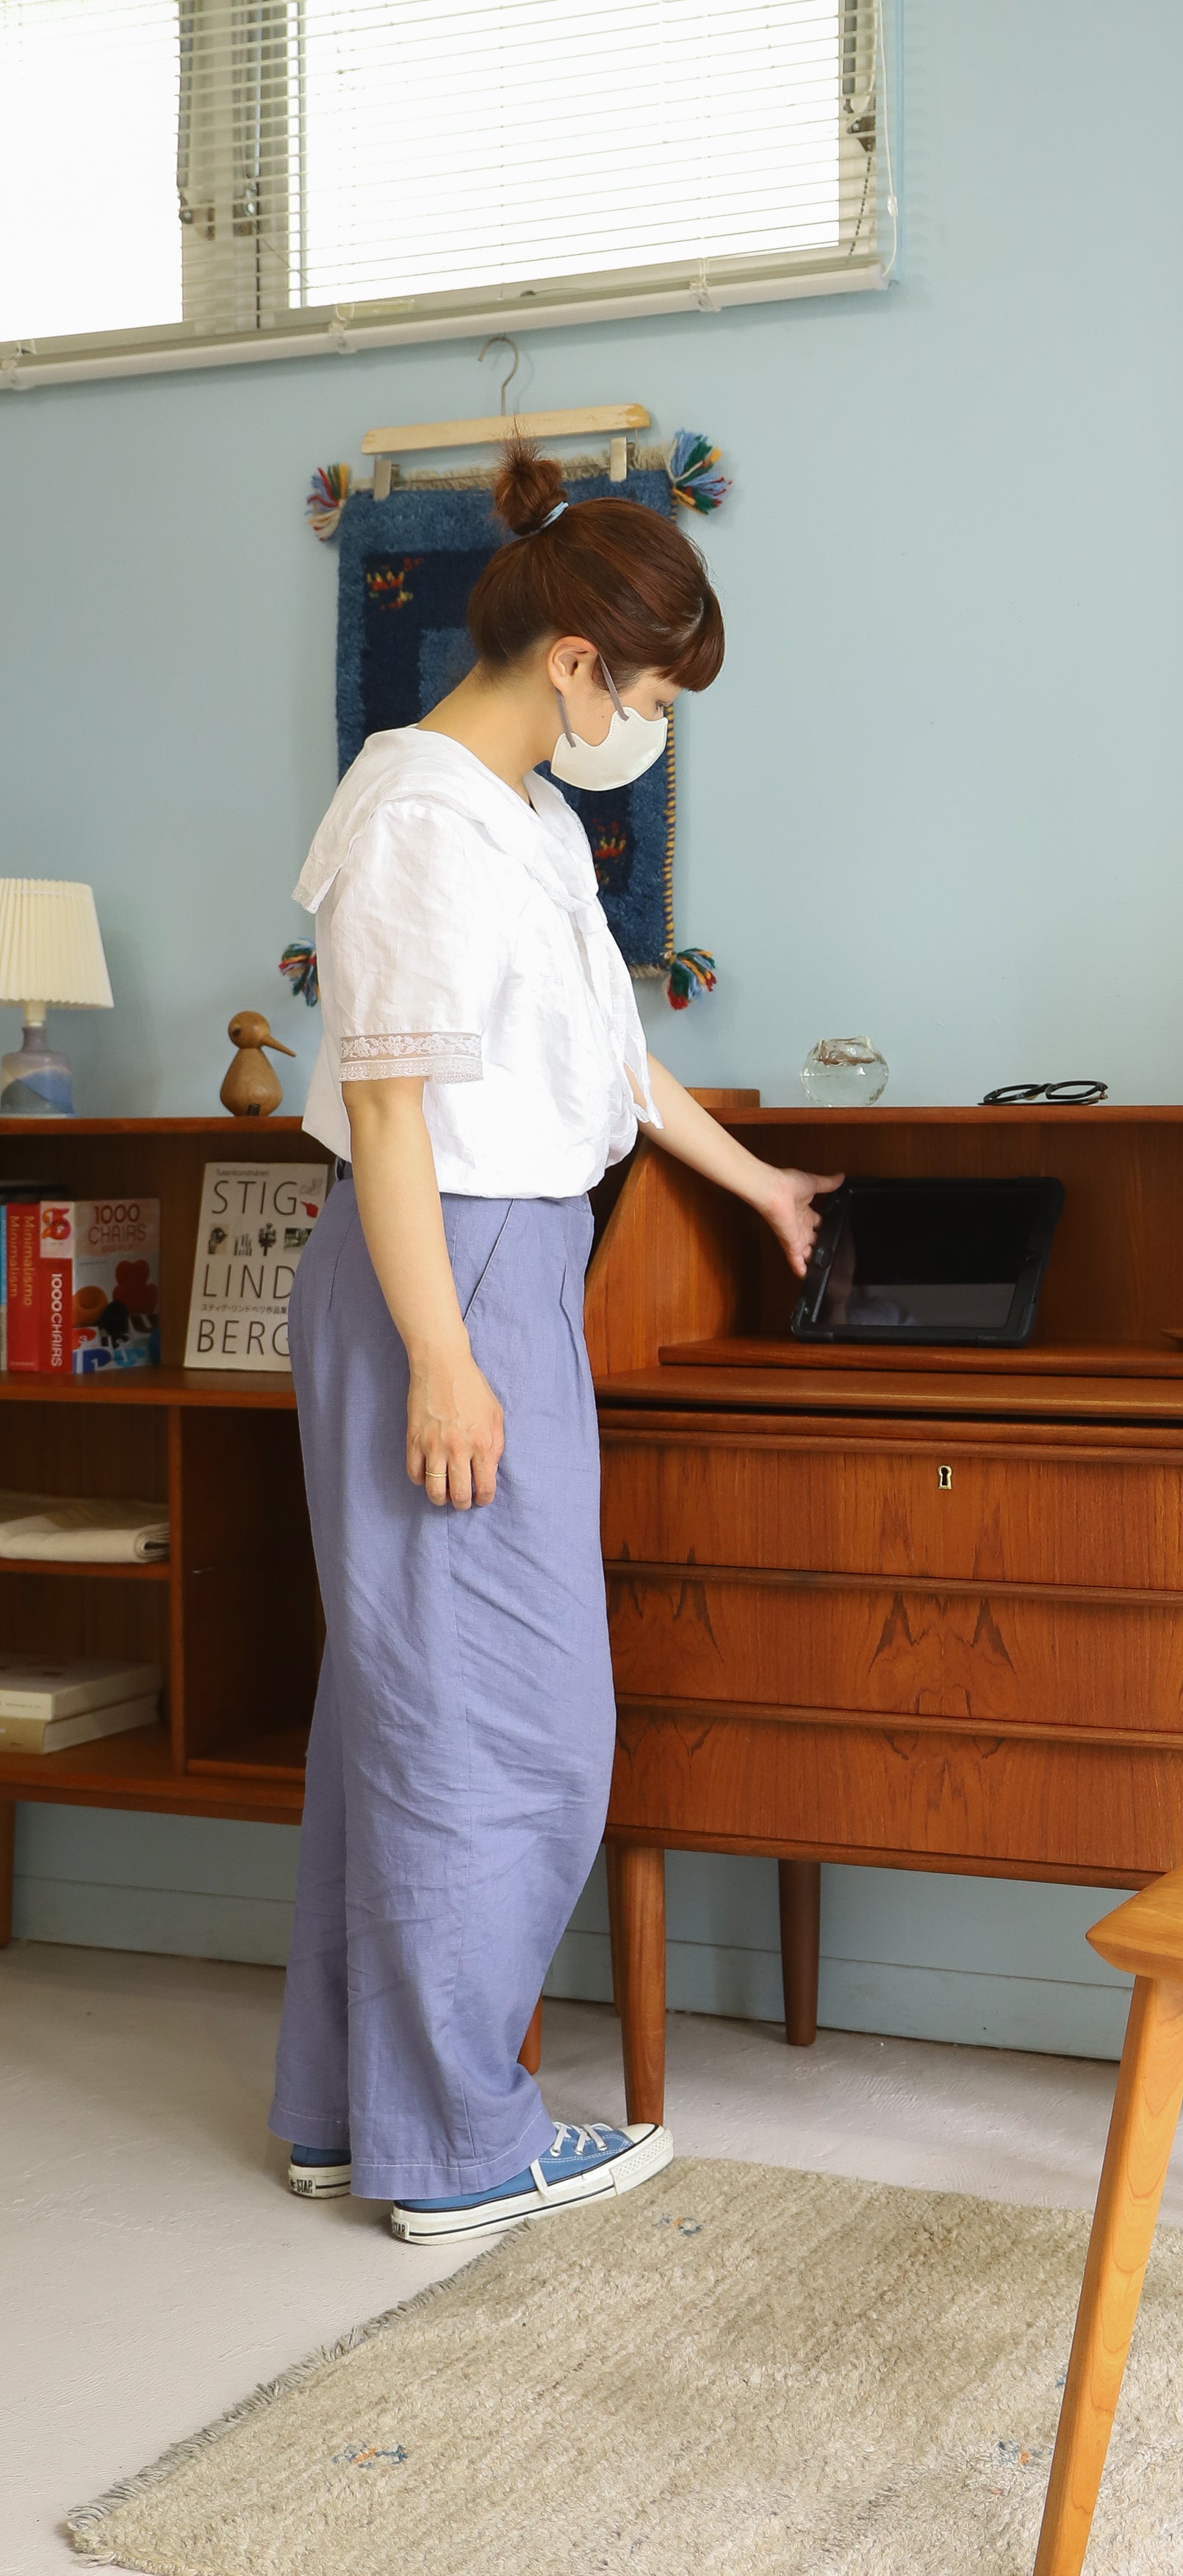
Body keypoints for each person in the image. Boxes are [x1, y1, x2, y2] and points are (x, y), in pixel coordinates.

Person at [269, 441, 838, 2244]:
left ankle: (357, 2113)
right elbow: (389, 1116)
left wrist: (757, 1182)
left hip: (506, 1262)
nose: (655, 723)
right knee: (504, 1728)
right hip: (443, 1271)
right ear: (583, 663)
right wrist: (446, 1359)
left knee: (404, 1710)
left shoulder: (516, 816)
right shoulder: (417, 824)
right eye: (657, 689)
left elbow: (601, 1061)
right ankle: (460, 2141)